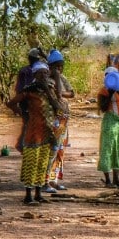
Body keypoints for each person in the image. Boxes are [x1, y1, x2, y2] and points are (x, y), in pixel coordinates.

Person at [5, 61, 58, 205]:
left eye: (46, 73)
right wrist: (23, 114)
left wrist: (48, 90)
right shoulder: (29, 91)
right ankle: (28, 196)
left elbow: (57, 107)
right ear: (35, 74)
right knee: (31, 163)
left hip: (47, 132)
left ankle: (38, 194)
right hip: (33, 132)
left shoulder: (49, 90)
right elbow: (11, 103)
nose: (44, 75)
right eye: (41, 73)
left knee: (42, 164)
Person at [43, 49, 76, 193]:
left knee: (60, 152)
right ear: (50, 67)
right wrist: (56, 79)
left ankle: (53, 180)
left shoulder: (63, 79)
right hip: (52, 120)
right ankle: (44, 182)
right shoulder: (45, 80)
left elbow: (72, 93)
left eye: (61, 66)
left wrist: (61, 90)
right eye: (56, 66)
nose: (59, 69)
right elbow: (55, 94)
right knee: (52, 150)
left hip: (64, 120)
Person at [96, 66, 119, 188]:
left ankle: (116, 179)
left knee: (118, 150)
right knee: (107, 150)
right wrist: (110, 93)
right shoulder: (103, 92)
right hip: (110, 122)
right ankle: (108, 181)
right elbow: (103, 108)